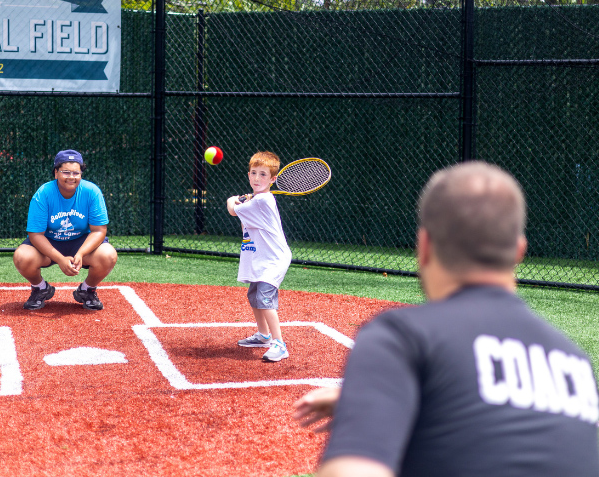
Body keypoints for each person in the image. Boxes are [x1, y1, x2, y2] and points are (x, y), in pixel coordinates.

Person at [294, 162, 599, 477]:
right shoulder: (577, 365)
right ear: (519, 251)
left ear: (424, 246)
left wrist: (365, 408)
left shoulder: (402, 337)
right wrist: (385, 398)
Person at [13, 149, 118, 311]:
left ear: (81, 173)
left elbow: (99, 230)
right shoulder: (43, 193)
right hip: (49, 243)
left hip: (81, 243)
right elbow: (35, 234)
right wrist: (60, 259)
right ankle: (40, 288)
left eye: (76, 172)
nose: (71, 177)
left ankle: (87, 291)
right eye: (65, 172)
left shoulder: (92, 192)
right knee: (22, 257)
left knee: (108, 254)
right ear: (56, 173)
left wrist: (81, 254)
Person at [227, 150, 292, 362]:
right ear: (248, 175)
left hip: (274, 260)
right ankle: (263, 335)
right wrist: (245, 200)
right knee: (253, 296)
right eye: (254, 173)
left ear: (273, 179)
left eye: (263, 175)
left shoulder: (263, 201)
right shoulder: (258, 200)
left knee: (264, 299)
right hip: (261, 258)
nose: (257, 178)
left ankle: (279, 344)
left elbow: (233, 210)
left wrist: (232, 200)